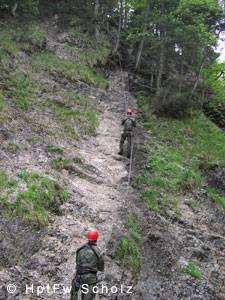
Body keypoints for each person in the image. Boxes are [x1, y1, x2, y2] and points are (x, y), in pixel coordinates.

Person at [71, 228, 104, 300]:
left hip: (78, 277)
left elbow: (78, 263)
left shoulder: (80, 249)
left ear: (88, 238)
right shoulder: (98, 251)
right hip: (90, 280)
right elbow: (101, 268)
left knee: (73, 296)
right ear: (96, 238)